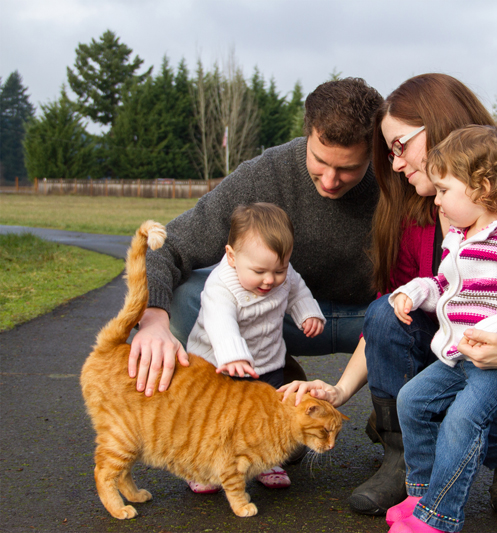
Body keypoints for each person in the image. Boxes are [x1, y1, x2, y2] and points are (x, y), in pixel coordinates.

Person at [280, 73, 497, 517]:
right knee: (387, 311)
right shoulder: (418, 210)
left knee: (468, 417)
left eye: (400, 146)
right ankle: (403, 461)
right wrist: (340, 389)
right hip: (455, 361)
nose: (395, 164)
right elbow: (386, 323)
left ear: (438, 130)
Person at [127, 77, 384, 398]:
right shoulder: (266, 174)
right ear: (308, 135)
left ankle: (397, 413)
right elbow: (170, 246)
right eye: (320, 161)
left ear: (373, 150)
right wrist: (152, 320)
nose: (331, 181)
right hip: (278, 314)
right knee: (186, 296)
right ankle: (258, 387)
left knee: (422, 313)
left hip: (369, 318)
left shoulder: (398, 178)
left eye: (348, 168)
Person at [386, 125, 497, 532]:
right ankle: (421, 495)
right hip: (463, 356)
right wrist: (416, 292)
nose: (438, 200)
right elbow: (447, 289)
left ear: (482, 187)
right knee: (412, 399)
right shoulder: (459, 240)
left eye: (445, 190)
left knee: (463, 418)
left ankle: (438, 517)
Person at [184, 202, 326, 493]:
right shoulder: (221, 285)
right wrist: (233, 354)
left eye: (279, 269)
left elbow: (297, 290)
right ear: (232, 256)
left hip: (267, 361)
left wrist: (307, 312)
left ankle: (264, 459)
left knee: (265, 413)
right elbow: (219, 320)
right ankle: (203, 465)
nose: (270, 280)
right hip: (217, 364)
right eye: (260, 271)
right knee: (215, 418)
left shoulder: (280, 274)